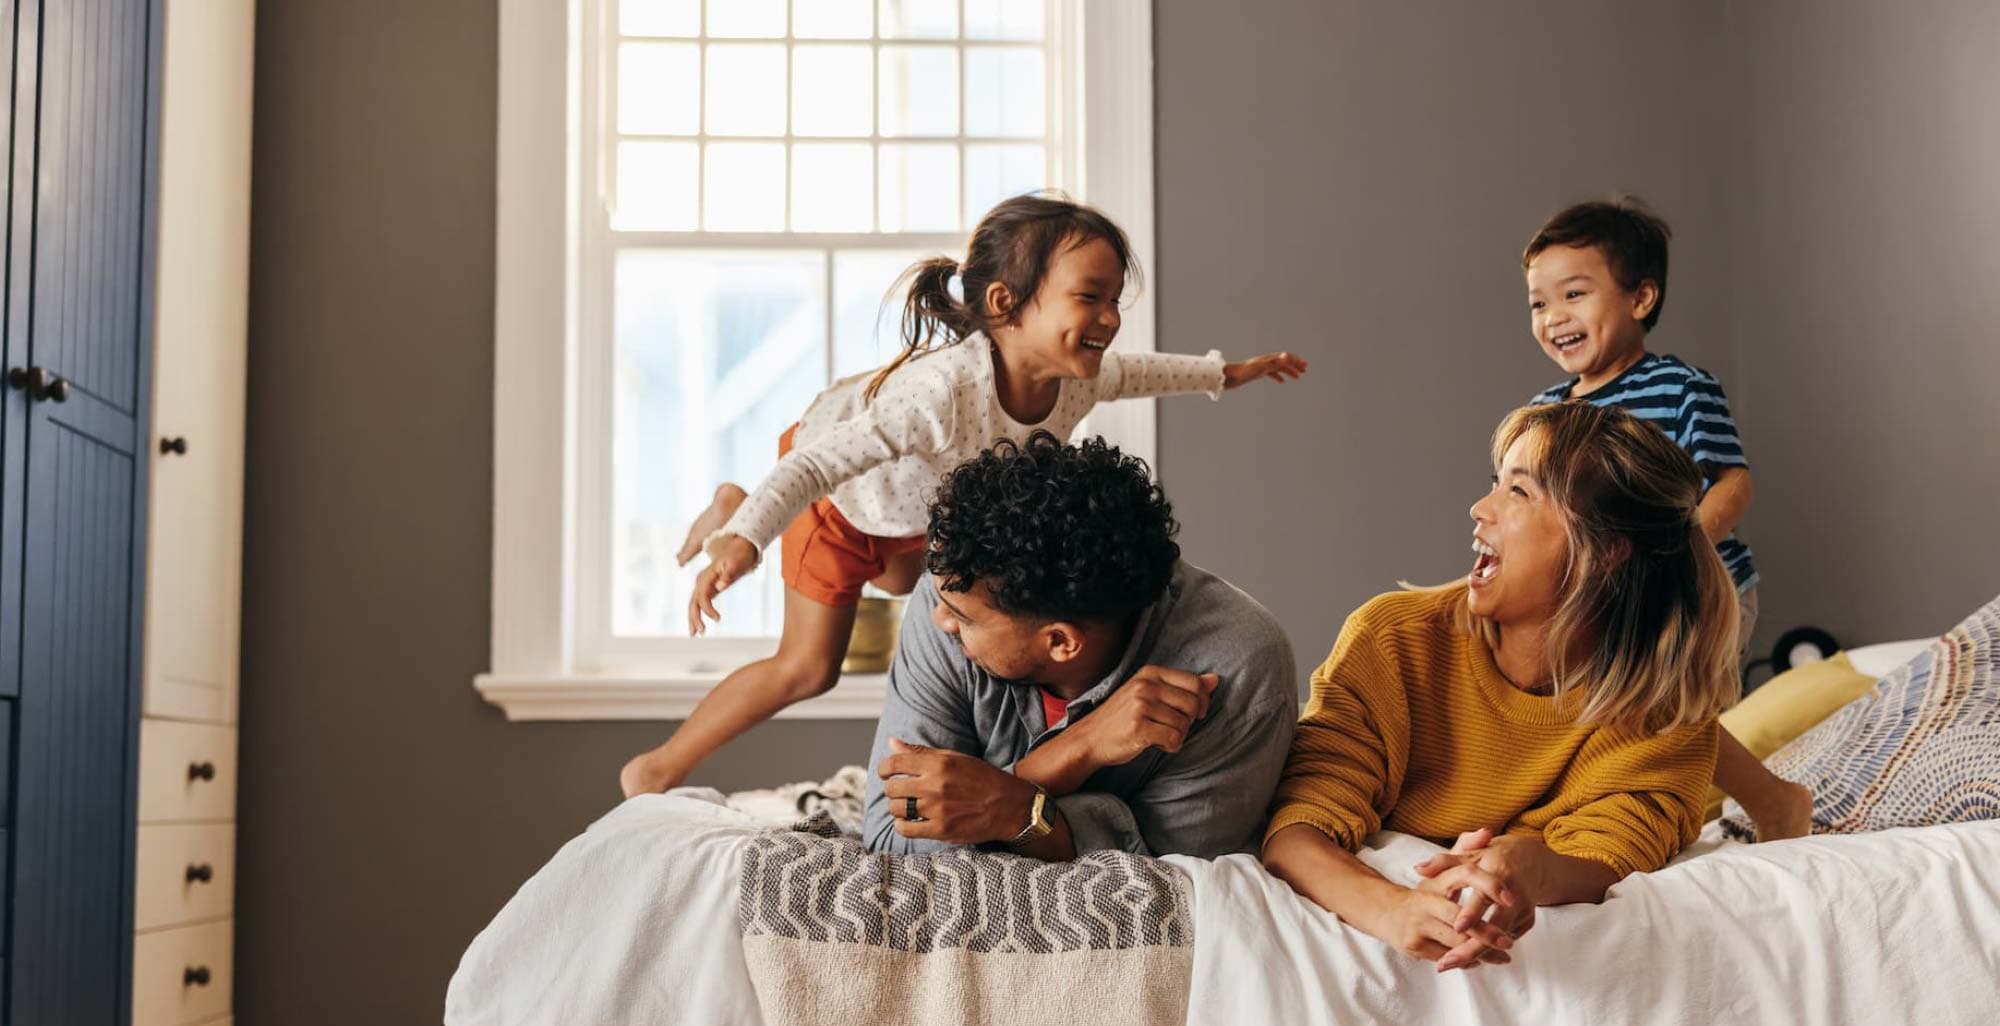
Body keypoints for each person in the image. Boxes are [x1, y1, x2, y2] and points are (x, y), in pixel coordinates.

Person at [619, 194, 1306, 797]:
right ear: (1008, 303)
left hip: (917, 520)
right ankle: (655, 766)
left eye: (1115, 300)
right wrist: (747, 537)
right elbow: (819, 462)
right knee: (807, 668)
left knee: (940, 593)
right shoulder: (943, 394)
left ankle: (741, 498)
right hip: (841, 504)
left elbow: (1149, 373)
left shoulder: (1081, 376)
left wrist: (1234, 372)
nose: (1110, 318)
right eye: (1089, 296)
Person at [1263, 401, 1740, 972]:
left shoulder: (1663, 714)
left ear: (1607, 550)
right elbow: (1296, 832)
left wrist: (1527, 866)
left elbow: (1609, 855)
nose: (1478, 508)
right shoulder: (1392, 640)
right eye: (1497, 483)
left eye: (1519, 493)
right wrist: (1394, 910)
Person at [863, 431, 1298, 860]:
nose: (940, 620)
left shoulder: (1237, 665)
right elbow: (891, 838)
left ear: (1061, 642)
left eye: (961, 618)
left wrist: (1010, 808)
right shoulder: (956, 587)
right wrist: (1073, 753)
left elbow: (1174, 881)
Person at [1521, 196, 1809, 840]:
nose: (1554, 317)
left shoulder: (1680, 387)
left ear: (1640, 299)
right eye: (1539, 303)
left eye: (1573, 294)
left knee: (1664, 702)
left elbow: (1732, 479)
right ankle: (1613, 816)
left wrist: (1683, 547)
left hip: (1696, 585)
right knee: (1604, 707)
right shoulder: (1545, 413)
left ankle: (1772, 802)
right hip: (1603, 597)